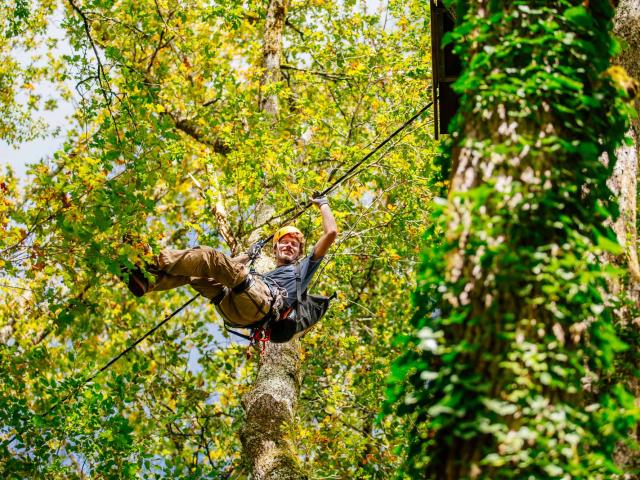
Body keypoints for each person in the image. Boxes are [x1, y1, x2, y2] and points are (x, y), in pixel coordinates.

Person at [123, 195, 338, 341]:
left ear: (300, 252)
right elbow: (225, 269)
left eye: (295, 244)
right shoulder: (267, 274)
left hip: (260, 304)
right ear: (276, 249)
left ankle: (153, 259)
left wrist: (323, 204)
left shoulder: (303, 269)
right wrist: (247, 255)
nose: (289, 245)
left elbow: (331, 234)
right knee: (196, 274)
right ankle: (148, 281)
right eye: (285, 242)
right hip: (239, 308)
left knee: (210, 256)